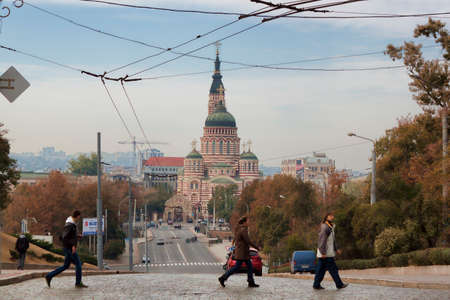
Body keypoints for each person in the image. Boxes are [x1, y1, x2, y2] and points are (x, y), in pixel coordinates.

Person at [45, 210, 88, 288]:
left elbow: (69, 236)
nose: (80, 218)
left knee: (66, 266)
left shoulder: (72, 224)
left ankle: (49, 276)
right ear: (78, 216)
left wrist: (77, 236)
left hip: (68, 247)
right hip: (69, 248)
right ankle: (78, 283)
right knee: (78, 264)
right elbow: (64, 237)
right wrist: (73, 246)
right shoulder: (70, 225)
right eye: (79, 216)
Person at [218, 216, 259, 288]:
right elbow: (248, 240)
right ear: (244, 222)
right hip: (242, 252)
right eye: (248, 221)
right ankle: (223, 278)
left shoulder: (240, 229)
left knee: (249, 266)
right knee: (237, 267)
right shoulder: (243, 230)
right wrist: (256, 247)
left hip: (243, 252)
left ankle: (251, 281)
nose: (248, 222)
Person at [313, 212, 348, 290]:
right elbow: (322, 241)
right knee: (333, 269)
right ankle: (339, 284)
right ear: (326, 217)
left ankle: (316, 285)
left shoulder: (330, 227)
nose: (332, 217)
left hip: (326, 253)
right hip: (326, 254)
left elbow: (332, 240)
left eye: (333, 215)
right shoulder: (325, 228)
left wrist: (336, 249)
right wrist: (323, 252)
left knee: (320, 271)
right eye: (330, 216)